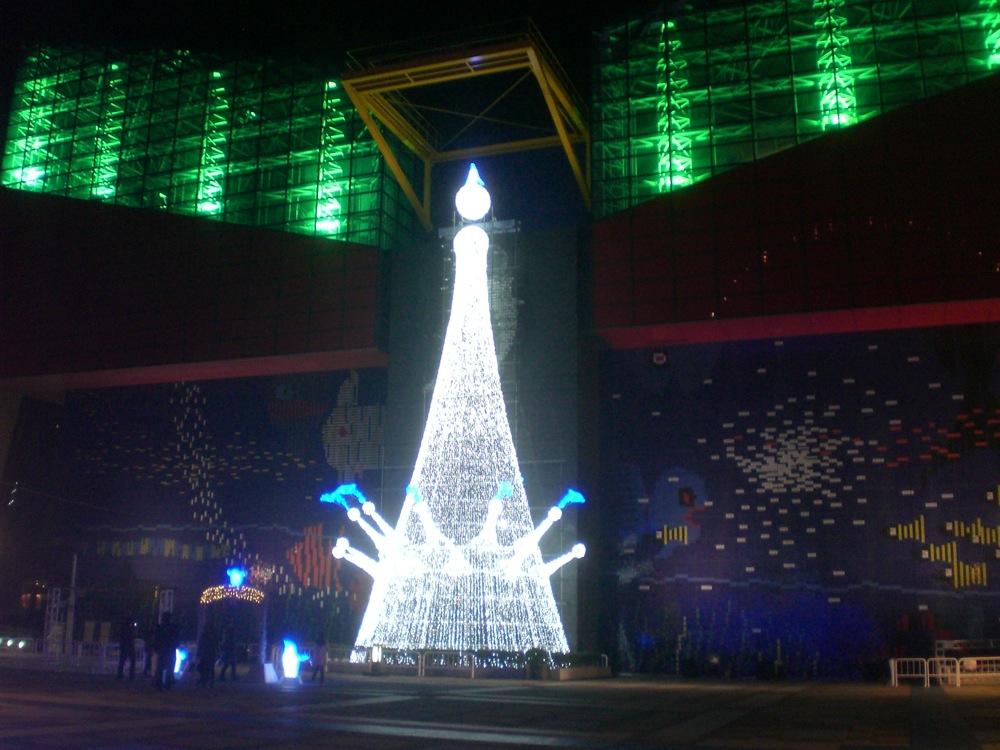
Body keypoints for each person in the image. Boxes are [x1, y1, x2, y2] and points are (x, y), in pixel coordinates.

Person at [152, 611, 180, 691]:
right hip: (169, 649)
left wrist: (156, 648)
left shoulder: (160, 628)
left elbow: (156, 639)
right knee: (169, 668)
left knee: (160, 668)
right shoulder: (172, 628)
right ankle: (167, 684)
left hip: (163, 650)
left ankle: (159, 684)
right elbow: (176, 637)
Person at [196, 623, 218, 688]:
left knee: (206, 668)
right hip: (209, 654)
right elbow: (215, 645)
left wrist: (199, 653)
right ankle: (208, 683)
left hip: (206, 654)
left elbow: (201, 645)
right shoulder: (212, 636)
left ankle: (205, 682)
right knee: (210, 669)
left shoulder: (205, 636)